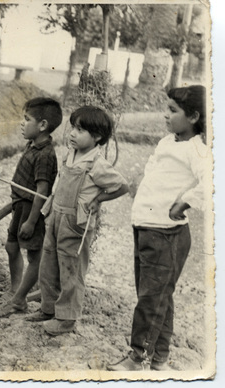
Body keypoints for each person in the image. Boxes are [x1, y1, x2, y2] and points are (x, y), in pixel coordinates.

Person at [108, 85, 209, 371]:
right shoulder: (168, 141)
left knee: (152, 298)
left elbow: (212, 181)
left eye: (172, 111)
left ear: (194, 117)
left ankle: (138, 355)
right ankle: (160, 357)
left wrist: (184, 203)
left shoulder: (197, 150)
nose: (165, 115)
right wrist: (140, 181)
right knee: (155, 295)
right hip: (146, 227)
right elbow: (154, 166)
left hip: (167, 232)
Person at [25, 106, 129, 336]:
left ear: (97, 137)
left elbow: (122, 186)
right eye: (73, 127)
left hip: (76, 223)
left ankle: (66, 318)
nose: (72, 133)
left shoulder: (97, 164)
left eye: (80, 130)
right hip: (56, 216)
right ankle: (48, 308)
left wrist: (98, 199)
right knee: (48, 264)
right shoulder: (70, 154)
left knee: (71, 269)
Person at [0, 98, 62, 316]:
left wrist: (32, 221)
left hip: (32, 210)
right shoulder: (32, 144)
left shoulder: (45, 154)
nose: (22, 124)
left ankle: (19, 300)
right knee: (11, 247)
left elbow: (42, 190)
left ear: (42, 125)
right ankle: (15, 290)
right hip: (20, 206)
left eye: (27, 119)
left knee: (34, 256)